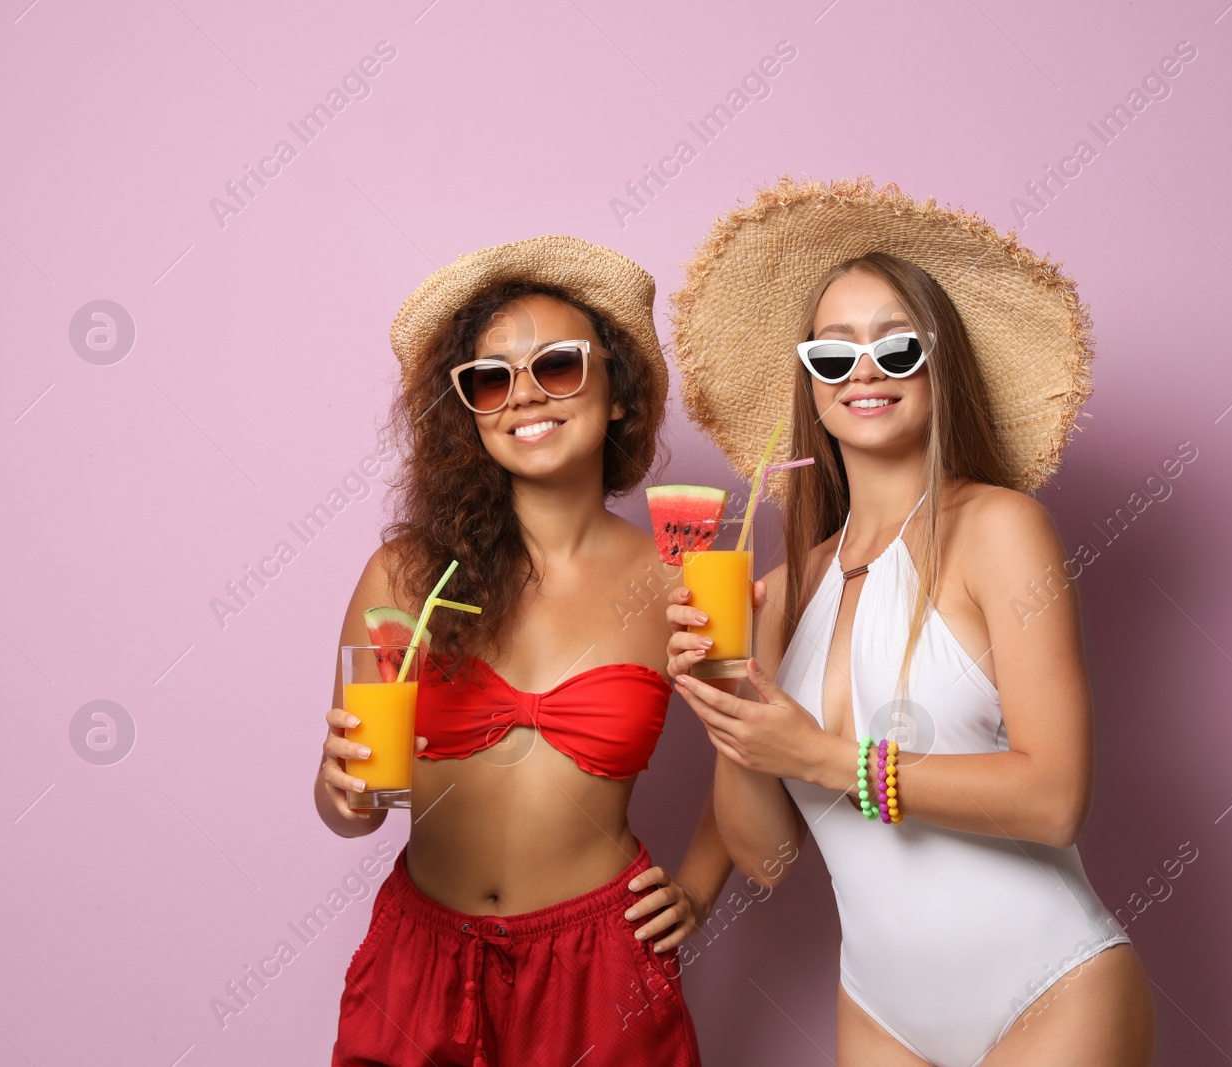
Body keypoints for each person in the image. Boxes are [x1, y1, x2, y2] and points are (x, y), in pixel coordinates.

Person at [665, 178, 1155, 1066]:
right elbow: (769, 856)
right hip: (883, 1011)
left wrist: (820, 756)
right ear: (809, 383)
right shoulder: (780, 590)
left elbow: (1054, 802)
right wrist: (725, 697)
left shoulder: (999, 530)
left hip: (1051, 990)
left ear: (941, 366)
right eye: (833, 353)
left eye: (897, 349)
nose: (863, 372)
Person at [316, 236, 732, 1067]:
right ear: (468, 410)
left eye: (559, 366)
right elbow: (346, 810)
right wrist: (342, 793)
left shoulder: (679, 578)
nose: (525, 396)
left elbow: (755, 742)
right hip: (420, 960)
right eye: (492, 378)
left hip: (598, 970)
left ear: (617, 392)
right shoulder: (404, 574)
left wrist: (699, 884)